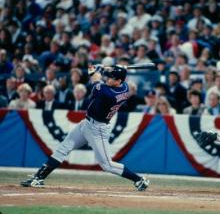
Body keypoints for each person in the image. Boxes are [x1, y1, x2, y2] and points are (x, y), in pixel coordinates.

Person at [20, 64, 149, 191]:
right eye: (109, 76)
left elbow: (94, 75)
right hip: (86, 124)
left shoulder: (106, 92)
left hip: (98, 129)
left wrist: (95, 68)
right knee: (62, 148)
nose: (109, 79)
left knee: (107, 165)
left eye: (112, 78)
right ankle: (39, 178)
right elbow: (109, 77)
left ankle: (139, 179)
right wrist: (113, 69)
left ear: (119, 81)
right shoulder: (125, 87)